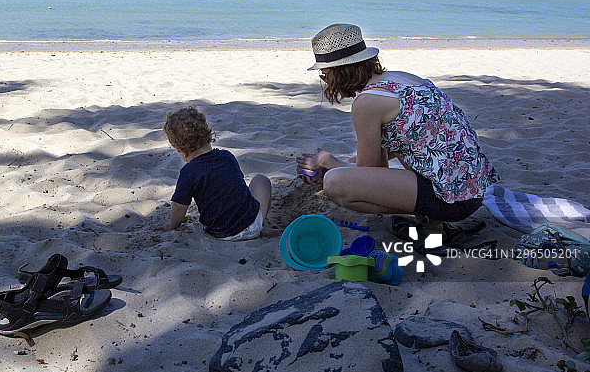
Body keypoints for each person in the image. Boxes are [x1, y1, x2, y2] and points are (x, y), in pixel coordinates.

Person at [295, 23, 499, 225]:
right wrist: (339, 165)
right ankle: (430, 224)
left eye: (325, 74)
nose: (326, 81)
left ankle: (429, 222)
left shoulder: (367, 103)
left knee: (335, 184)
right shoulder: (402, 79)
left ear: (338, 71)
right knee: (344, 172)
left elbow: (370, 173)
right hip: (470, 189)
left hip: (451, 199)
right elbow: (400, 149)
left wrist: (326, 160)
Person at [160, 106, 276, 239]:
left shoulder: (188, 172)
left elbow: (179, 206)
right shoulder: (227, 156)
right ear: (208, 136)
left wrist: (172, 225)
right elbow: (239, 187)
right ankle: (260, 225)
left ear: (183, 152)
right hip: (250, 227)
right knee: (261, 180)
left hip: (218, 232)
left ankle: (255, 226)